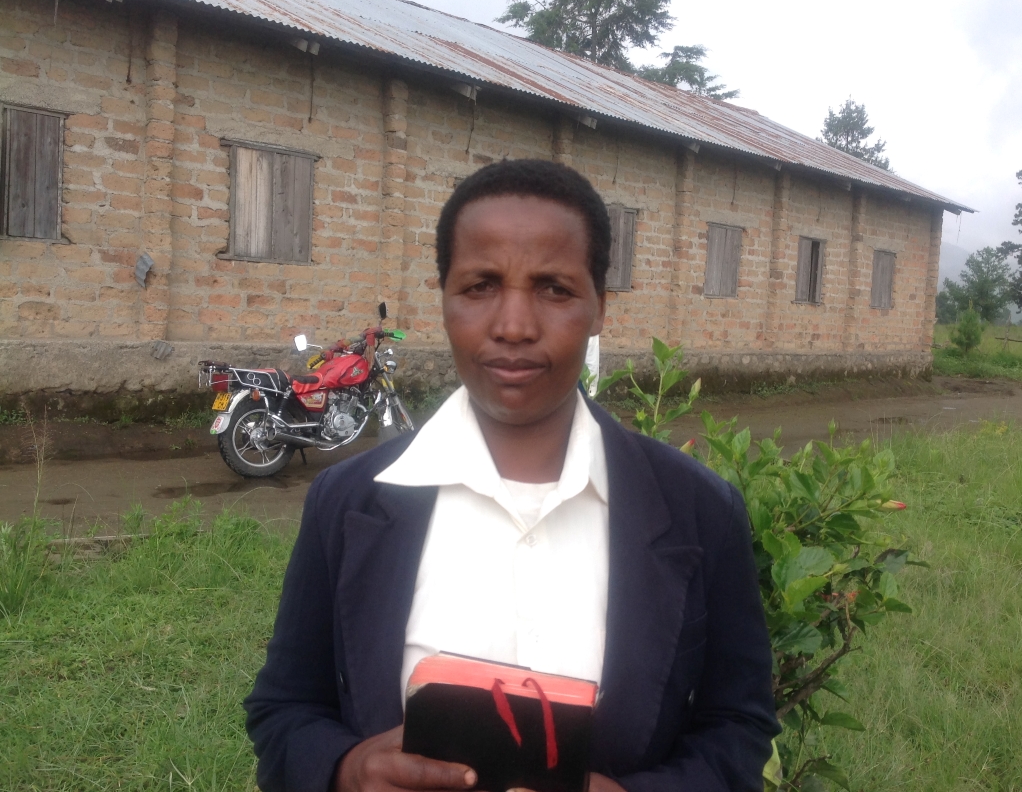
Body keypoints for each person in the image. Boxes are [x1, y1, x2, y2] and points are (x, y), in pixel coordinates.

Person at [244, 159, 780, 792]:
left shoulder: (699, 511)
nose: (514, 327)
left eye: (554, 288)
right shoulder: (348, 503)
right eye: (480, 286)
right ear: (444, 299)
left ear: (599, 308)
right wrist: (346, 770)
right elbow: (284, 708)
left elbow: (737, 726)